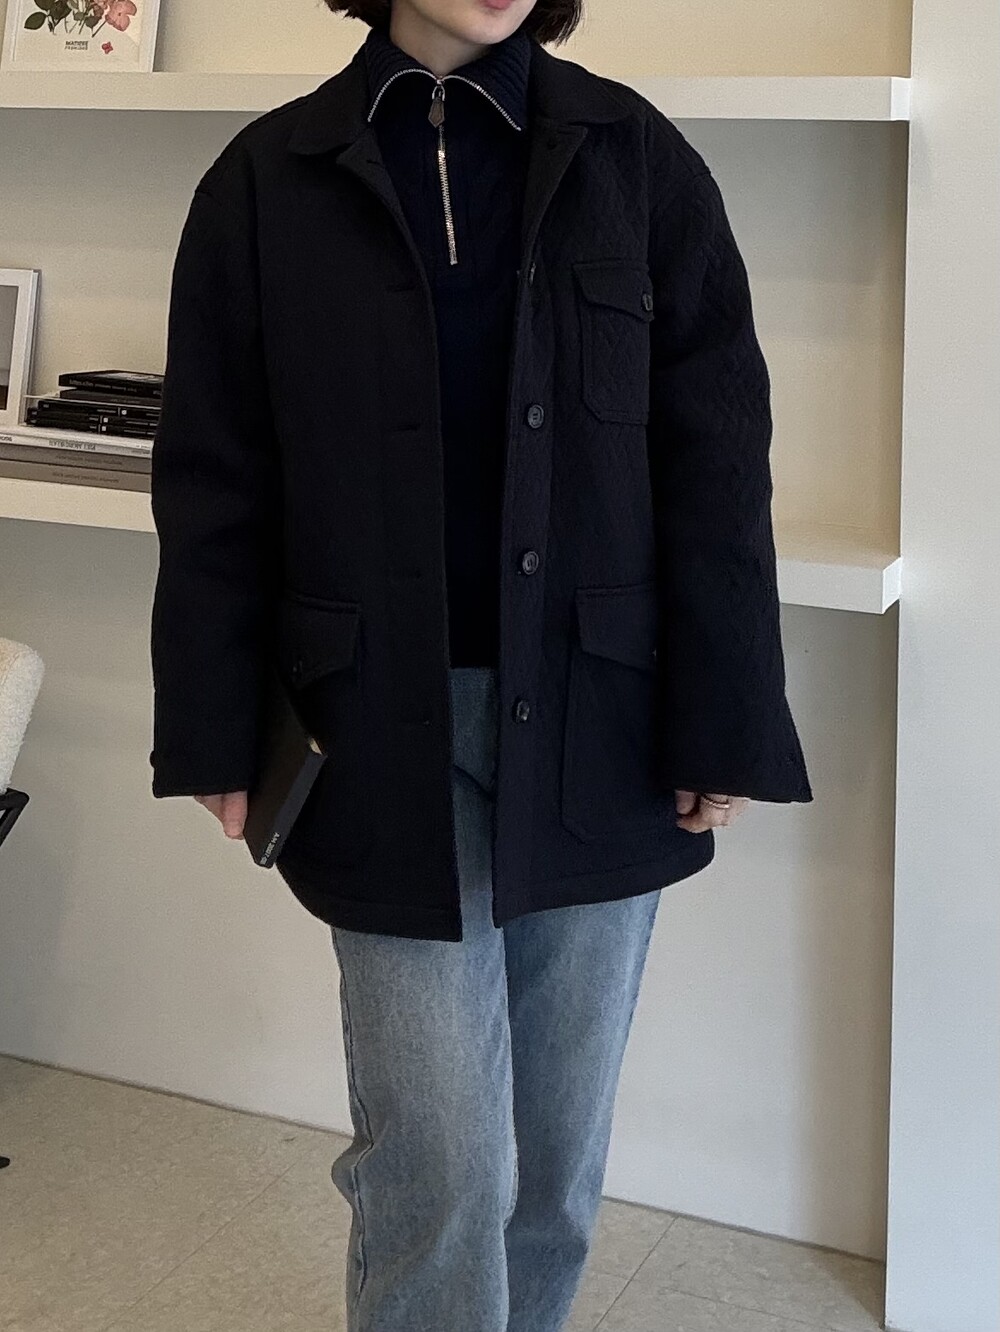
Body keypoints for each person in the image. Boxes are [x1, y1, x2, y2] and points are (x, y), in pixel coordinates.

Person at [148, 1, 813, 1328]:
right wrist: (215, 727)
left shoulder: (639, 159)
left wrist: (726, 715)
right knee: (439, 1163)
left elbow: (718, 461)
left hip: (601, 722)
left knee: (554, 1167)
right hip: (370, 729)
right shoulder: (266, 180)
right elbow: (216, 475)